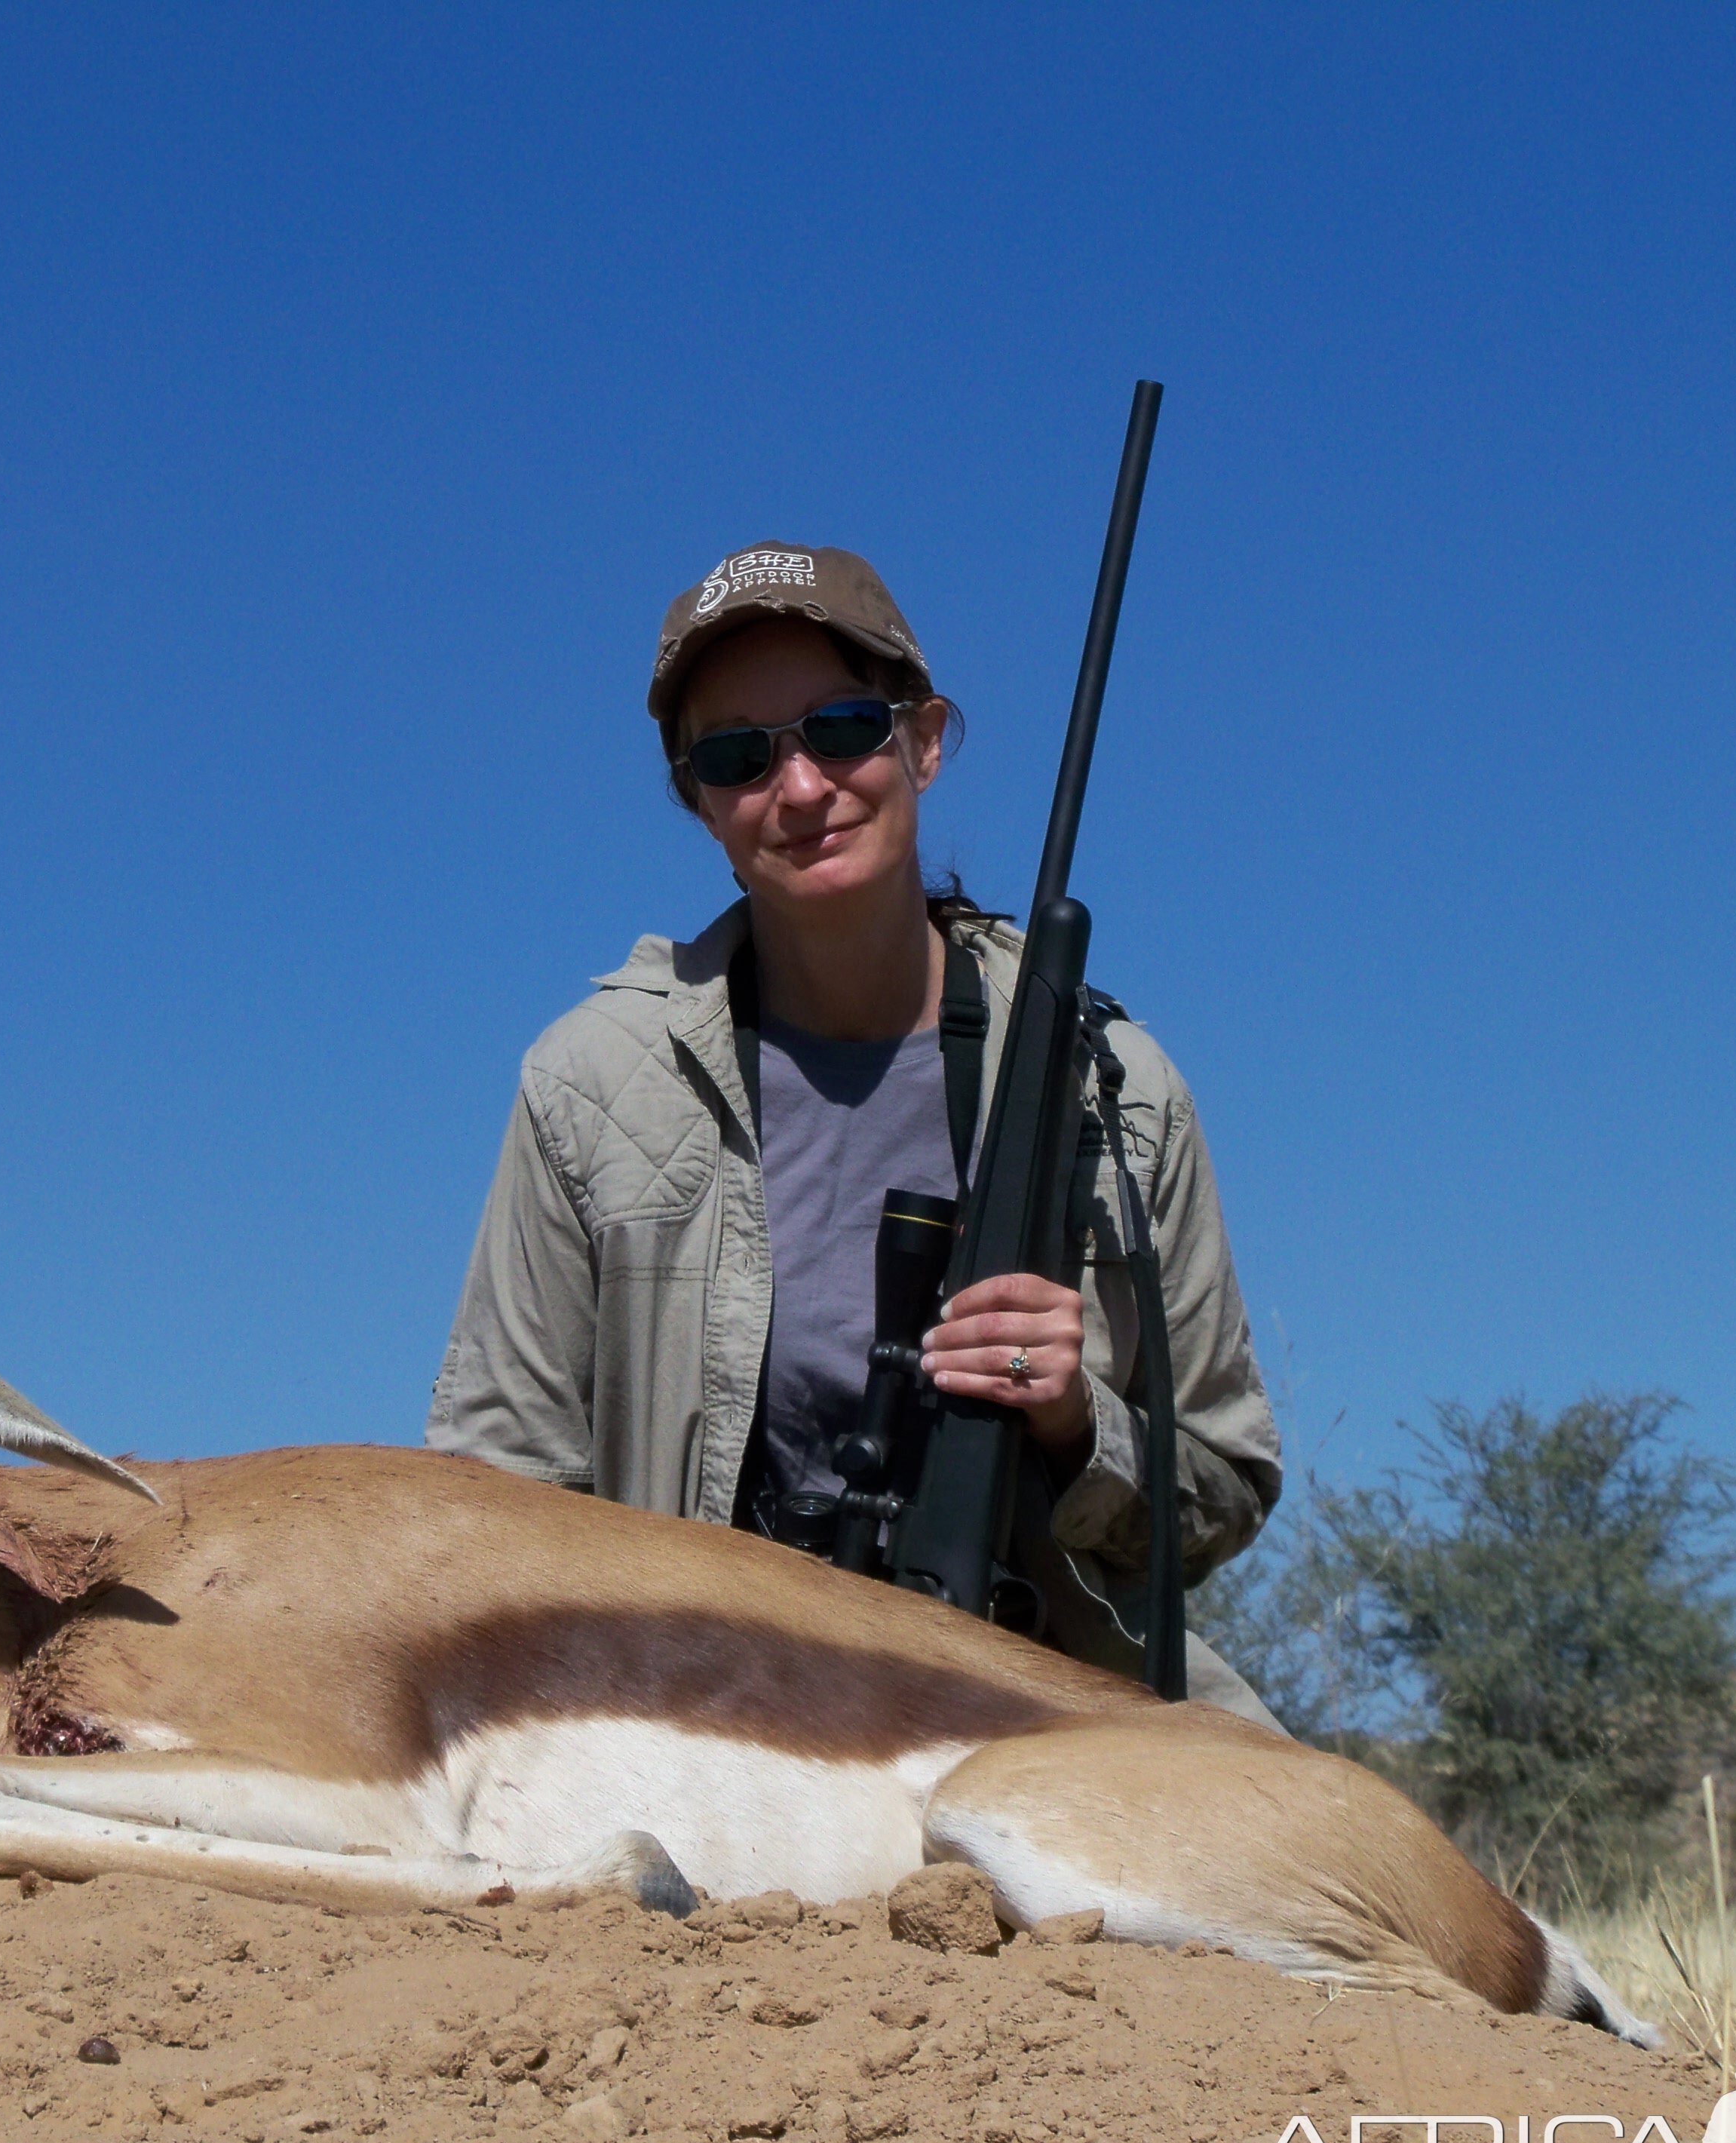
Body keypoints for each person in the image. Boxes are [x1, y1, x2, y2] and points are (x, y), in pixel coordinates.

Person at [427, 542, 1284, 1716]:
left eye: (841, 729)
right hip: (690, 1710)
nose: (800, 787)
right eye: (736, 755)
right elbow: (497, 1490)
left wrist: (1077, 1420)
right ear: (701, 804)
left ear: (924, 741)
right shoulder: (589, 1081)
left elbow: (1223, 1488)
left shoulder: (1116, 1088)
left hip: (1045, 1698)